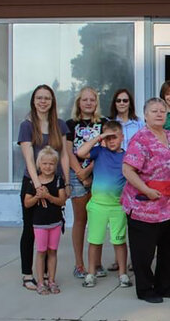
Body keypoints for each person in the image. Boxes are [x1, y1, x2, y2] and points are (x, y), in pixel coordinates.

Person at [121, 97, 170, 304]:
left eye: (162, 111)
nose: (160, 114)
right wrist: (146, 189)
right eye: (154, 111)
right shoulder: (141, 139)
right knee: (143, 253)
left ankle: (166, 285)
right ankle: (145, 289)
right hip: (146, 207)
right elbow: (128, 170)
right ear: (145, 115)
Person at [18, 85, 70, 291]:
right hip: (33, 183)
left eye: (47, 98)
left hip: (54, 184)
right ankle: (27, 274)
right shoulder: (27, 125)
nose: (43, 101)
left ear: (52, 101)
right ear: (33, 101)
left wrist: (66, 181)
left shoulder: (60, 125)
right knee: (31, 229)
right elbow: (29, 159)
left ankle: (47, 275)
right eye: (39, 98)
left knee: (52, 228)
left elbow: (64, 155)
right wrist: (38, 187)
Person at [75, 120, 132, 289]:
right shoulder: (99, 151)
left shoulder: (127, 156)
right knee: (95, 240)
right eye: (108, 138)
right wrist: (99, 137)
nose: (111, 141)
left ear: (122, 137)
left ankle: (123, 274)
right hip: (98, 205)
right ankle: (91, 273)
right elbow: (80, 152)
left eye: (114, 137)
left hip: (117, 207)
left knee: (119, 241)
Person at [65, 86, 107, 279]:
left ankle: (96, 263)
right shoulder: (70, 124)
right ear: (79, 103)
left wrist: (89, 170)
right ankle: (79, 264)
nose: (88, 103)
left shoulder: (104, 123)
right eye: (85, 100)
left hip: (99, 173)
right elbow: (68, 152)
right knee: (80, 220)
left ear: (96, 103)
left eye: (92, 99)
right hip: (77, 175)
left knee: (97, 220)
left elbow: (106, 150)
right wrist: (80, 173)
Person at [22, 146, 67, 295]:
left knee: (52, 251)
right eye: (45, 163)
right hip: (39, 224)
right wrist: (37, 196)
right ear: (39, 164)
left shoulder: (59, 180)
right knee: (41, 251)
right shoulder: (33, 183)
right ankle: (41, 282)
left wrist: (48, 197)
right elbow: (27, 203)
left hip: (55, 222)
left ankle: (51, 280)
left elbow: (61, 200)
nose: (48, 167)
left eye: (51, 164)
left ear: (56, 165)